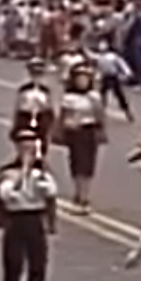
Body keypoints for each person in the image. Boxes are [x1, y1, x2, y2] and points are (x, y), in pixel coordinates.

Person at [0, 126, 57, 281]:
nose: (28, 150)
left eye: (31, 146)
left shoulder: (43, 173)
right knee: (13, 268)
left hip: (34, 220)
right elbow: (7, 195)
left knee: (38, 270)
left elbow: (50, 192)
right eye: (24, 146)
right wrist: (24, 173)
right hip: (15, 221)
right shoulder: (8, 171)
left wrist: (37, 174)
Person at [56, 60, 106, 212]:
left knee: (89, 164)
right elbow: (63, 116)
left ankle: (85, 195)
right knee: (77, 163)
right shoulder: (69, 97)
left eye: (85, 78)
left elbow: (100, 116)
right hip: (75, 132)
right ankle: (78, 193)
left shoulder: (94, 96)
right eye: (79, 78)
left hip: (89, 130)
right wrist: (63, 128)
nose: (82, 81)